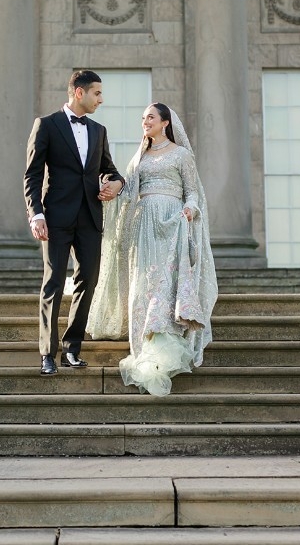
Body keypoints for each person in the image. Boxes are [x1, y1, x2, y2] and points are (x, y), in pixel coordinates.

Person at [87, 103, 218, 396]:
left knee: (164, 286)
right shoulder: (140, 156)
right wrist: (112, 190)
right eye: (143, 118)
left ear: (165, 122)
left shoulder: (181, 155)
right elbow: (130, 189)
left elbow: (192, 191)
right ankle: (144, 348)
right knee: (143, 287)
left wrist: (189, 209)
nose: (145, 122)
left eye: (150, 117)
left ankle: (165, 350)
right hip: (143, 226)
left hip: (171, 223)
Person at [23, 69, 125, 376]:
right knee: (53, 282)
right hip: (55, 217)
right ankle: (47, 353)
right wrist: (36, 213)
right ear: (78, 92)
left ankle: (72, 348)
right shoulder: (47, 125)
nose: (101, 99)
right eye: (97, 93)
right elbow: (32, 174)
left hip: (90, 217)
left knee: (88, 281)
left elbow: (110, 170)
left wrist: (114, 184)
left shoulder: (99, 130)